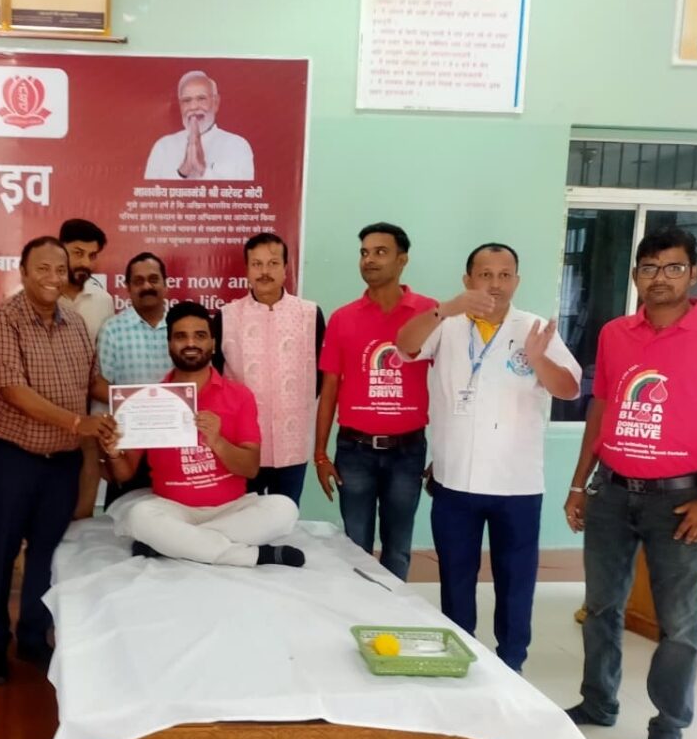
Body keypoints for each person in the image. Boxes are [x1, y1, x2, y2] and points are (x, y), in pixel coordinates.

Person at [564, 226, 697, 739]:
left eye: (673, 267)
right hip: (612, 493)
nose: (661, 278)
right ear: (636, 275)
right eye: (650, 268)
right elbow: (601, 408)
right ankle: (598, 702)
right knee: (601, 608)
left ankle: (668, 729)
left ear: (694, 273)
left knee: (678, 626)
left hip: (683, 502)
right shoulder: (615, 333)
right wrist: (580, 484)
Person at [396, 243, 580, 672]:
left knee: (516, 581)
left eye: (504, 275)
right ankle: (460, 657)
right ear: (468, 280)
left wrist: (538, 359)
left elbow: (569, 388)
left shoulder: (534, 328)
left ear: (516, 280)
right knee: (455, 577)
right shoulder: (447, 323)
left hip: (516, 484)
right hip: (455, 480)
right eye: (485, 274)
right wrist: (446, 308)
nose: (495, 284)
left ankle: (511, 664)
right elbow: (404, 345)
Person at [0, 236, 115, 685]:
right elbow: (13, 391)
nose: (54, 278)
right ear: (22, 272)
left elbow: (90, 382)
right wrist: (77, 422)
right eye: (43, 269)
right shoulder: (1, 320)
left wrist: (141, 399)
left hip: (62, 464)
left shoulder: (75, 322)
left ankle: (33, 637)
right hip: (12, 458)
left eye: (60, 269)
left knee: (46, 554)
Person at [102, 301, 304, 567]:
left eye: (199, 335)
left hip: (232, 508)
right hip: (173, 509)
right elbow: (125, 473)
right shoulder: (148, 400)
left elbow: (251, 468)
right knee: (139, 516)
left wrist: (218, 442)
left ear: (213, 343)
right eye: (181, 336)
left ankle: (174, 544)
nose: (190, 343)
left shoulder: (239, 395)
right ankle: (252, 556)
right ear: (169, 343)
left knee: (284, 509)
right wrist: (114, 454)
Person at [315, 223, 436, 581]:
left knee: (398, 547)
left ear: (403, 260)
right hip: (355, 452)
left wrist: (444, 454)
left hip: (408, 452)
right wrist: (320, 454)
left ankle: (394, 609)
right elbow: (330, 388)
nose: (369, 260)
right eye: (364, 253)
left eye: (380, 252)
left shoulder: (429, 313)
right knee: (355, 547)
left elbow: (447, 385)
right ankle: (359, 608)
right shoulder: (343, 318)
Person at [215, 232, 324, 504]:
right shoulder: (227, 317)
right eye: (257, 264)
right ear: (247, 270)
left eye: (273, 263)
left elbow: (320, 375)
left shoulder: (310, 315)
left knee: (285, 515)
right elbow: (216, 379)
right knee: (241, 518)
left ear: (286, 268)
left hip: (292, 440)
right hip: (242, 446)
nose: (265, 271)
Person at [94, 251, 174, 507]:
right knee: (123, 518)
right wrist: (103, 451)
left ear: (165, 283)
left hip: (175, 444)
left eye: (153, 279)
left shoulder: (181, 326)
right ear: (128, 287)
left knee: (174, 516)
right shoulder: (113, 329)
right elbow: (98, 385)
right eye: (138, 281)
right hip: (128, 445)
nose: (147, 286)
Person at [60, 218, 115, 519]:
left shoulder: (103, 301)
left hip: (87, 418)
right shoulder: (27, 295)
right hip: (40, 419)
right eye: (77, 253)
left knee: (82, 509)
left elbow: (101, 365)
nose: (85, 263)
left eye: (92, 255)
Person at [144, 70, 254, 181]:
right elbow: (149, 190)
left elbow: (241, 191)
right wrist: (183, 171)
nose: (193, 107)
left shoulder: (238, 146)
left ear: (216, 103)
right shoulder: (163, 147)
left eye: (201, 98)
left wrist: (203, 169)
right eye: (186, 100)